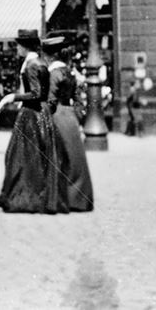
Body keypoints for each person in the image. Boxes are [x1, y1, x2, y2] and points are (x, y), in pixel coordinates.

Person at [0, 30, 68, 214]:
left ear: (24, 46)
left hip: (32, 114)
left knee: (19, 156)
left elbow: (37, 93)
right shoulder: (38, 62)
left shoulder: (32, 64)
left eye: (18, 45)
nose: (17, 49)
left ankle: (20, 196)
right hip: (39, 113)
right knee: (27, 157)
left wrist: (12, 97)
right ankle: (13, 194)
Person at [45, 37, 94, 212]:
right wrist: (78, 115)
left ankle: (59, 197)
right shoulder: (69, 72)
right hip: (70, 116)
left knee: (56, 155)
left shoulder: (52, 73)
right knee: (74, 156)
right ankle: (78, 197)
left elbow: (50, 100)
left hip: (57, 114)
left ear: (49, 56)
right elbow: (79, 96)